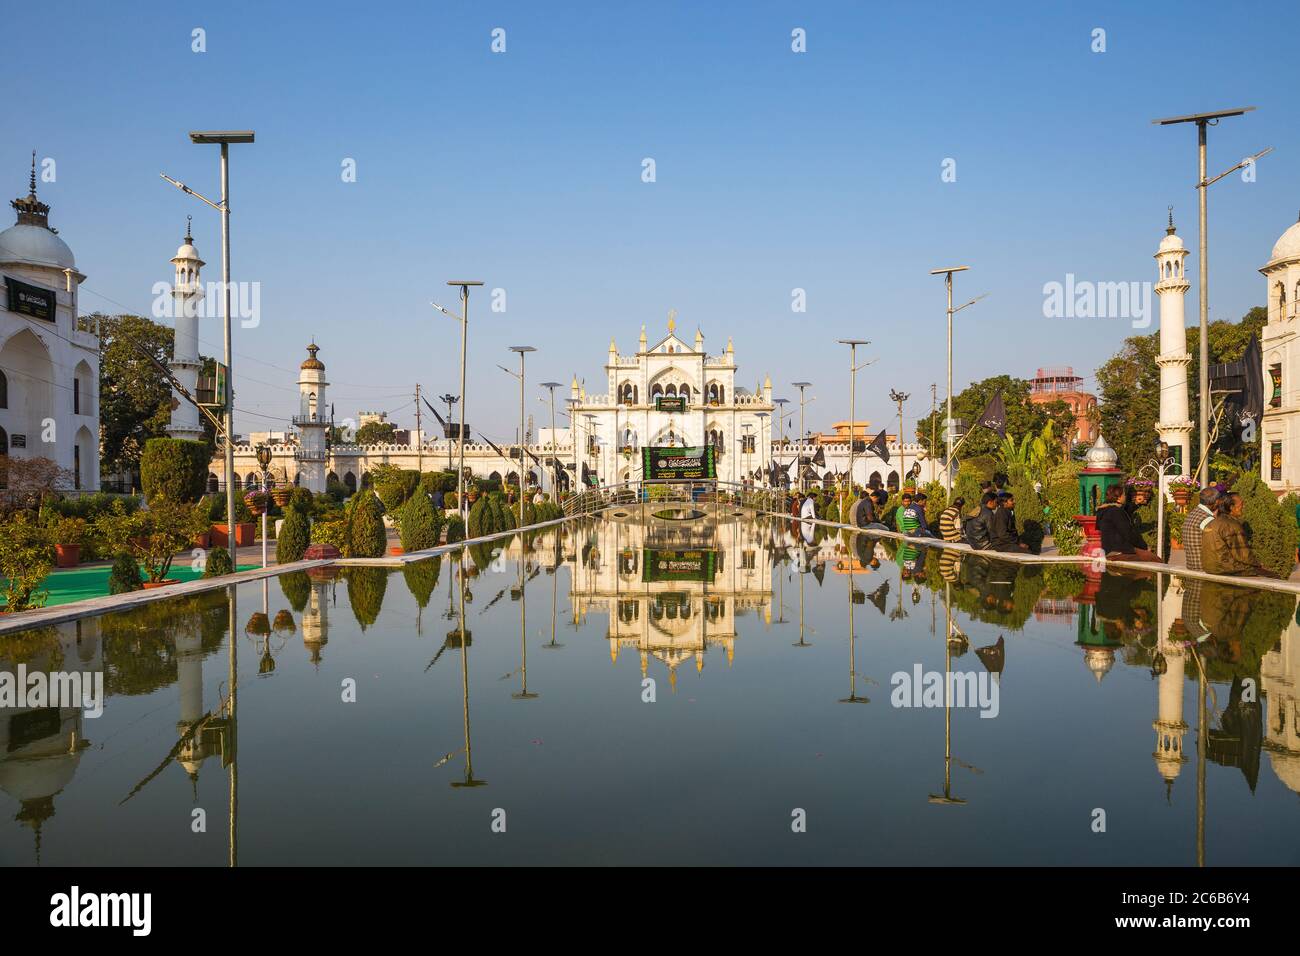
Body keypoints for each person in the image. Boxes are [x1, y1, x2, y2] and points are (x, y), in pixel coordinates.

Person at [1203, 492, 1281, 578]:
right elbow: (1244, 556)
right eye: (1241, 505)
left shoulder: (1212, 523)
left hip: (1210, 568)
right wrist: (1258, 565)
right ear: (1231, 507)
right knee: (1274, 577)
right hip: (1226, 570)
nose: (1243, 507)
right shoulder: (1232, 525)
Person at [1096, 484, 1163, 562]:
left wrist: (1136, 503)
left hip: (1109, 550)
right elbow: (1128, 534)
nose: (1125, 496)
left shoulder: (1104, 511)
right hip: (1119, 551)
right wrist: (1144, 547)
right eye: (1123, 494)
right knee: (1155, 560)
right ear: (1118, 497)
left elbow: (1125, 511)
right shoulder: (1116, 512)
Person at [1180, 486, 1220, 572]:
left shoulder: (1193, 514)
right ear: (1216, 502)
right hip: (1204, 569)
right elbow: (1216, 545)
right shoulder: (1207, 519)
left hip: (1192, 566)